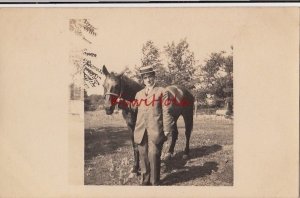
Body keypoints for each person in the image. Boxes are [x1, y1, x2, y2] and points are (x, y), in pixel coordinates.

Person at [131, 65, 173, 186]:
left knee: (154, 155)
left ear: (154, 77)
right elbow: (134, 108)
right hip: (140, 130)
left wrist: (166, 129)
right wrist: (120, 101)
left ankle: (155, 182)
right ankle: (145, 181)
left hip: (156, 130)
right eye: (145, 77)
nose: (148, 80)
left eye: (150, 76)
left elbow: (166, 111)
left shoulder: (162, 91)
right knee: (143, 156)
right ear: (143, 80)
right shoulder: (138, 94)